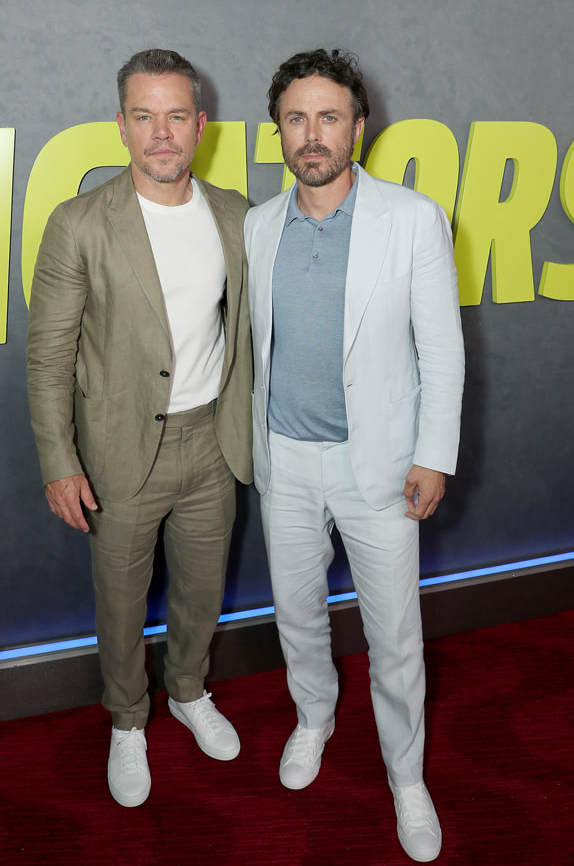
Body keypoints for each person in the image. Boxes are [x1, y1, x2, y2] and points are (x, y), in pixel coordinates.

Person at [244, 49, 464, 862]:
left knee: (395, 634)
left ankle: (407, 774)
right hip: (286, 463)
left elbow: (442, 351)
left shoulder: (412, 217)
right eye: (296, 118)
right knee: (297, 617)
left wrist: (433, 455)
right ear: (279, 132)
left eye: (328, 116)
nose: (313, 134)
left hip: (379, 467)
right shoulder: (258, 225)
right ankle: (315, 716)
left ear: (358, 127)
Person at [26, 49, 252, 808]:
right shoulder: (79, 223)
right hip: (120, 450)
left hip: (211, 444)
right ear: (120, 126)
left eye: (177, 115)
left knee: (202, 589)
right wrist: (60, 460)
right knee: (121, 602)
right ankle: (128, 719)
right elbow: (49, 354)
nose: (163, 132)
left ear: (201, 124)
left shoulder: (235, 215)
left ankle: (188, 689)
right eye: (146, 115)